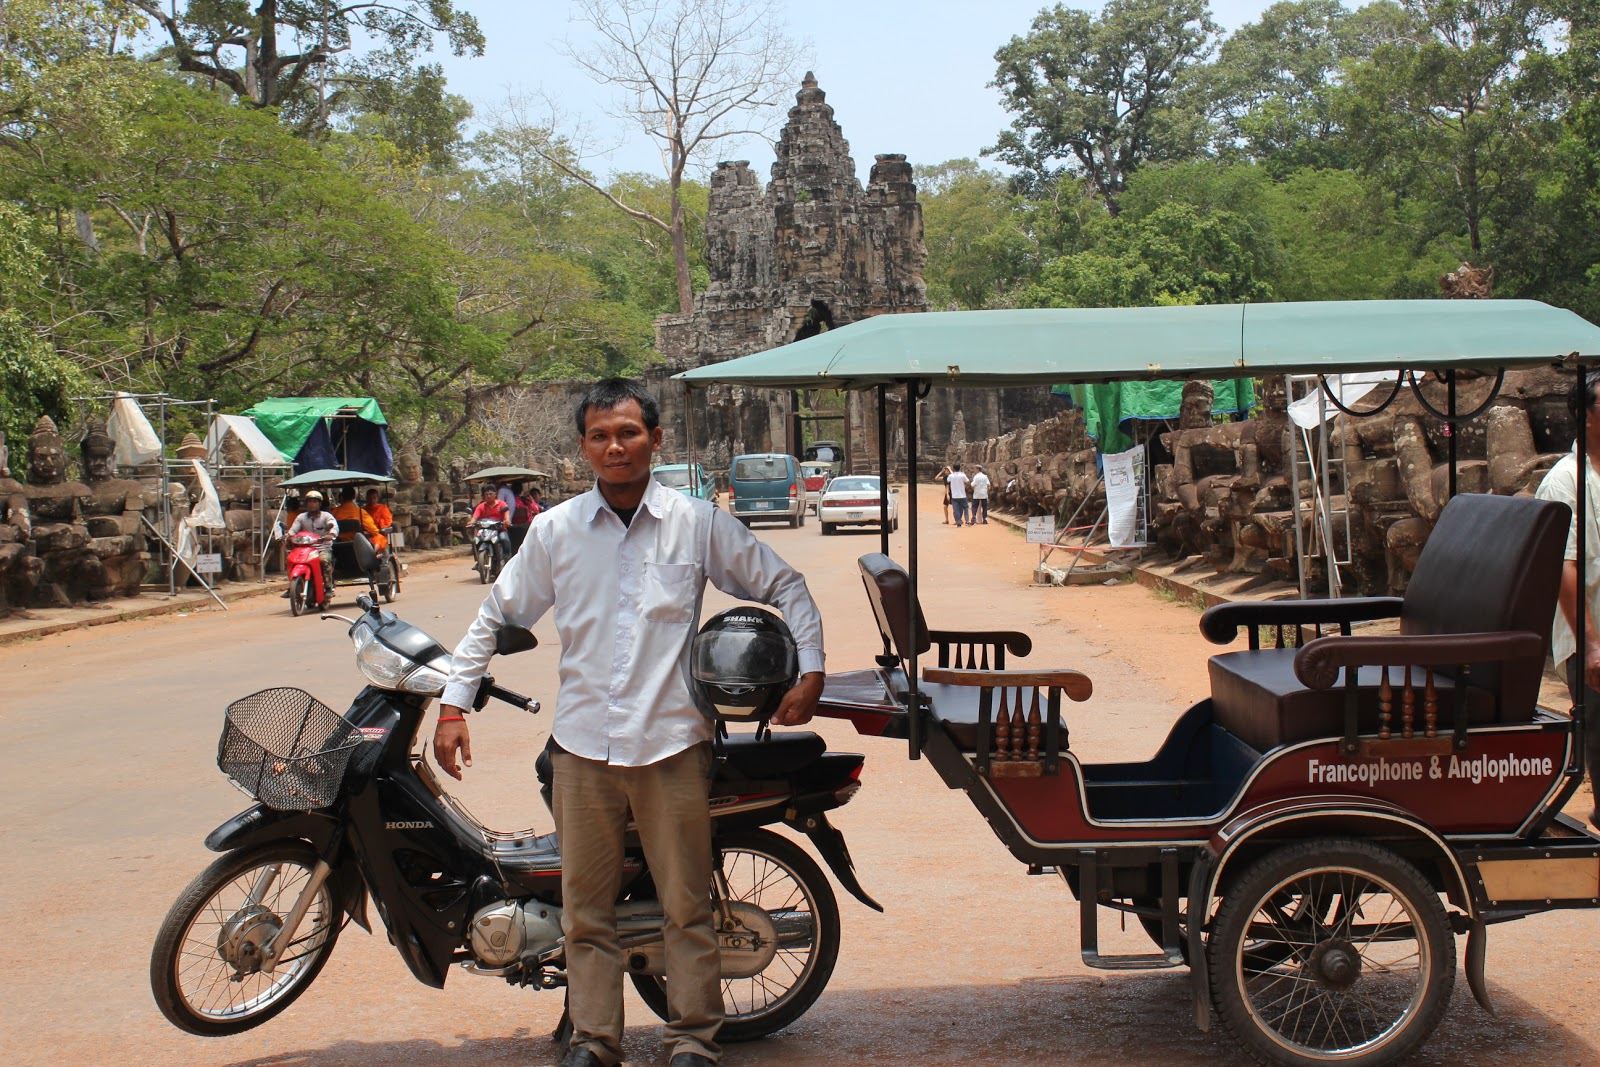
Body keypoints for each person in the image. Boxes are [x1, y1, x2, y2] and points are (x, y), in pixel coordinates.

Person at [435, 379, 824, 1067]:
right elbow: (498, 614)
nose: (615, 446)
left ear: (656, 439)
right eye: (599, 436)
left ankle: (693, 1039)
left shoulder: (696, 522)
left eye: (628, 433)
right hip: (581, 749)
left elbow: (783, 583)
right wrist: (453, 701)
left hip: (673, 743)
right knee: (587, 911)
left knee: (687, 905)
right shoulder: (555, 530)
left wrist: (811, 670)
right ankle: (595, 1041)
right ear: (583, 447)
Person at [1535, 369, 1600, 828]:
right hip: (1590, 634)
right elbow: (1565, 569)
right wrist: (1591, 643)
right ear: (1586, 416)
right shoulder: (1565, 482)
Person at [287, 490, 338, 601]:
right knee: (291, 559)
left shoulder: (326, 516)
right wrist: (288, 536)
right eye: (309, 501)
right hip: (305, 548)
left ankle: (329, 588)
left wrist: (331, 534)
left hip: (322, 548)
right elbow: (293, 530)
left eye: (315, 502)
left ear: (319, 504)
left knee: (323, 560)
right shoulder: (301, 517)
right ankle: (291, 585)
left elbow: (334, 527)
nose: (312, 504)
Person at [332, 486, 385, 552]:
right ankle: (373, 556)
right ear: (354, 496)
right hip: (358, 543)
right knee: (379, 537)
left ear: (342, 497)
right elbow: (374, 531)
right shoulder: (360, 512)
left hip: (339, 544)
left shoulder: (334, 512)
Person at [470, 485, 512, 560]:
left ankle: (507, 558)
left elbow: (506, 515)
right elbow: (475, 517)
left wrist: (507, 521)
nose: (488, 496)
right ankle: (478, 560)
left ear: (495, 494)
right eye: (486, 494)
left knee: (504, 539)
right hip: (484, 530)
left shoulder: (502, 504)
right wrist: (471, 522)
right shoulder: (481, 506)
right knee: (474, 541)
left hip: (499, 529)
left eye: (490, 494)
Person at [947, 462, 971, 527]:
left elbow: (948, 481)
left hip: (954, 496)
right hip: (962, 495)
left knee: (956, 509)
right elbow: (967, 481)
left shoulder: (951, 476)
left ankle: (958, 522)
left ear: (953, 468)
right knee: (966, 507)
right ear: (960, 468)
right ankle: (967, 521)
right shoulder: (962, 475)